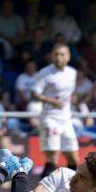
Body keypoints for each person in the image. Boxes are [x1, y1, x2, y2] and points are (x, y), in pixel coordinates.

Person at [29, 43, 79, 179]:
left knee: (73, 158)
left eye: (62, 54)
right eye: (56, 54)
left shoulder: (72, 73)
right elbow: (34, 94)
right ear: (52, 56)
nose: (59, 57)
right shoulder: (45, 73)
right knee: (53, 157)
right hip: (50, 118)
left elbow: (71, 93)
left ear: (68, 57)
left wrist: (74, 99)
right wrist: (52, 101)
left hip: (66, 120)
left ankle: (72, 191)